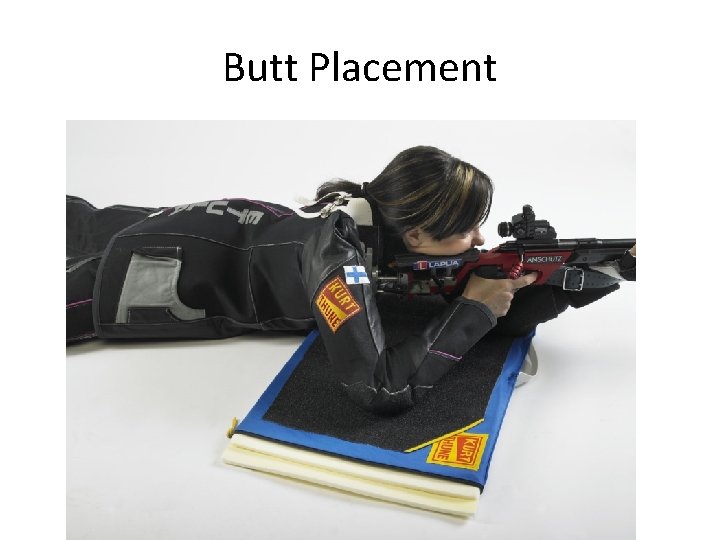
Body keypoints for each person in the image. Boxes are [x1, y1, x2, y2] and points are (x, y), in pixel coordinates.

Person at [66, 146, 635, 414]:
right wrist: (476, 309)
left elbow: (444, 288)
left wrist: (575, 276)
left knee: (76, 218)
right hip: (152, 268)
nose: (481, 240)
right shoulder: (339, 263)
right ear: (417, 235)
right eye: (468, 230)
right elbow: (382, 388)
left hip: (206, 225)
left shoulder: (380, 217)